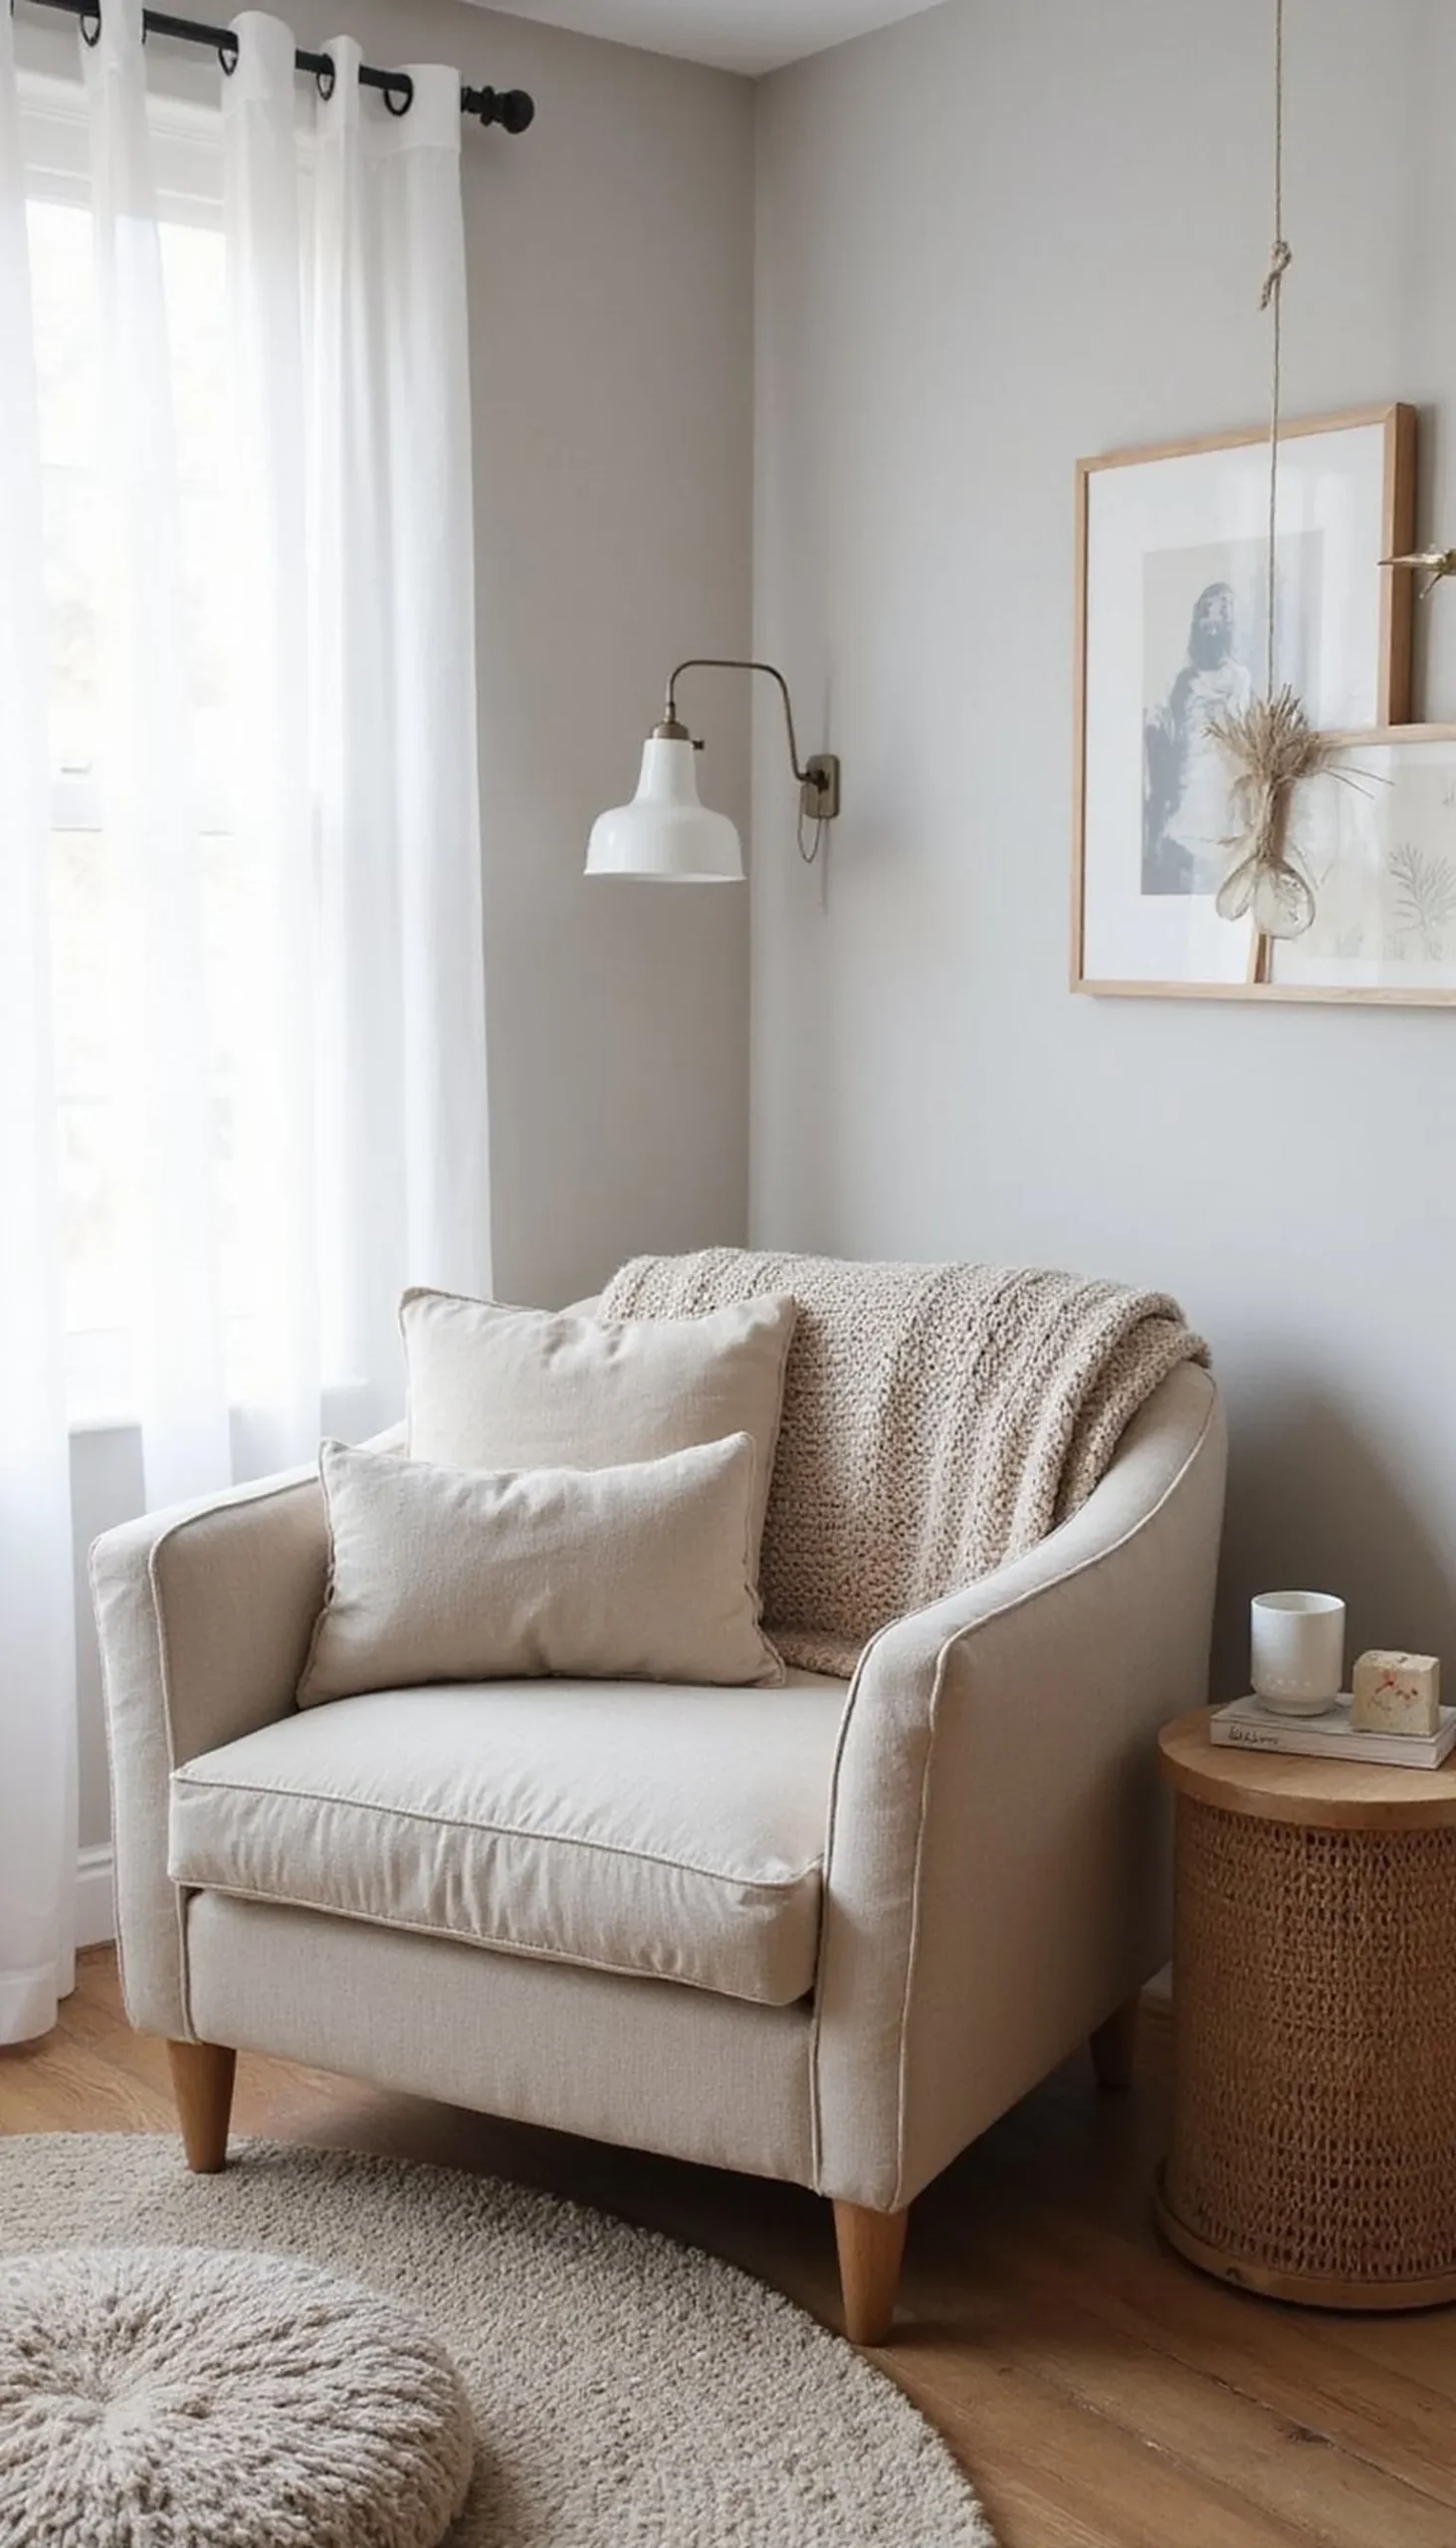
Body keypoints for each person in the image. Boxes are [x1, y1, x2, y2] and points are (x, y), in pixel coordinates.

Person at [1143, 579, 1253, 895]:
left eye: (1221, 616)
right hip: (1180, 774)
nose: (1212, 625)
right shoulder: (1181, 678)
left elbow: (1238, 732)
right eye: (1206, 615)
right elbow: (1161, 723)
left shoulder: (1238, 678)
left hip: (1216, 774)